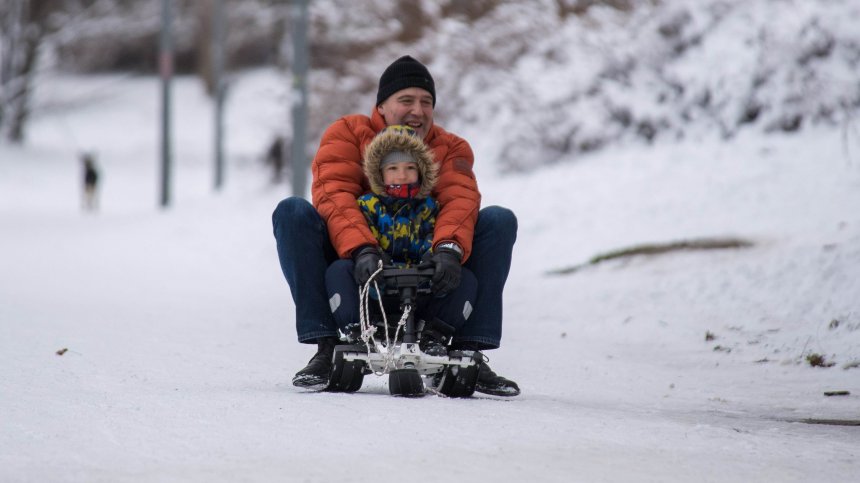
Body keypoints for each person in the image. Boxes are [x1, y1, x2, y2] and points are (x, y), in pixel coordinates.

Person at [272, 55, 519, 396]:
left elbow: (460, 201)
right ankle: (327, 347)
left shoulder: (450, 148)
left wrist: (448, 248)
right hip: (357, 275)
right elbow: (333, 194)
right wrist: (362, 248)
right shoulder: (347, 133)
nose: (418, 110)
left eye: (426, 102)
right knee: (292, 212)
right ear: (383, 106)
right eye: (406, 100)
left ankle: (468, 350)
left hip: (430, 274)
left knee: (498, 221)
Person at [325, 124, 478, 358]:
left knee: (466, 279)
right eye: (393, 168)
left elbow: (434, 234)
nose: (402, 174)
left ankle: (434, 333)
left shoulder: (429, 209)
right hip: (378, 285)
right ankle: (357, 329)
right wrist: (371, 253)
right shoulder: (367, 206)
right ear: (380, 173)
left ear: (421, 171)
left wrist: (433, 256)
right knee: (339, 270)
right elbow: (361, 231)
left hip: (421, 285)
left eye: (410, 167)